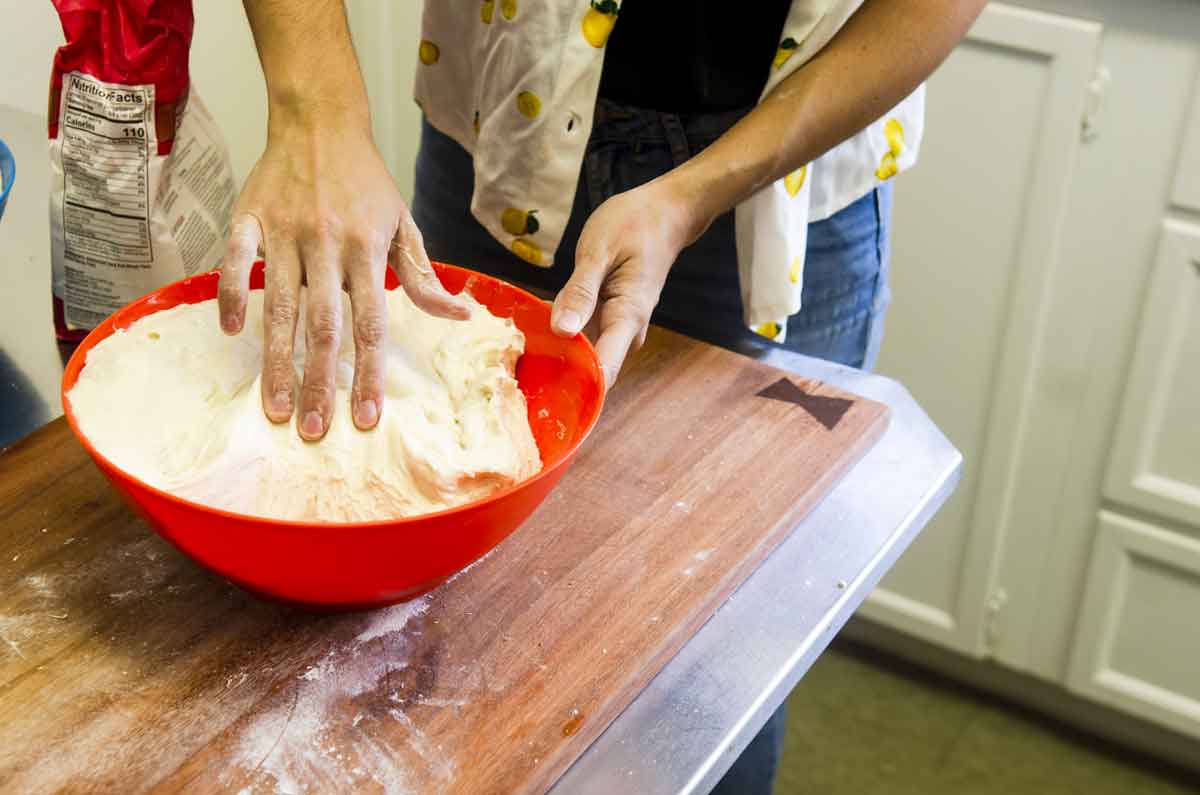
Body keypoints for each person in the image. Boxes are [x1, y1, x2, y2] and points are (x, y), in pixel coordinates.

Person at [217, 1, 985, 790]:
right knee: (446, 640)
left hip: (785, 173)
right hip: (500, 128)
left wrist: (693, 194)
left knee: (719, 655)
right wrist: (317, 112)